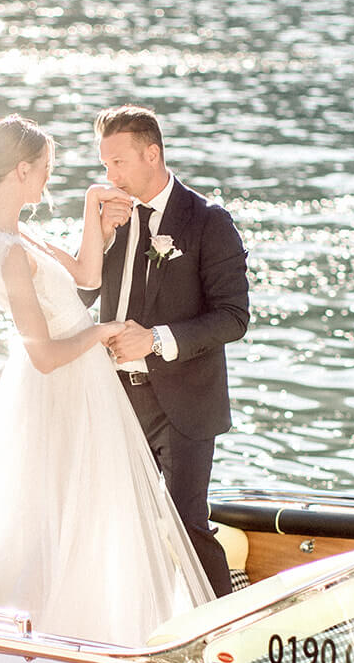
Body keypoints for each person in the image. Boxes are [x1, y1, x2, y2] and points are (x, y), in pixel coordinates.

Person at [0, 114, 214, 646]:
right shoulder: (12, 251)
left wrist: (97, 213)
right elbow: (45, 353)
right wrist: (106, 331)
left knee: (80, 506)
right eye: (45, 170)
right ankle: (96, 632)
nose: (49, 180)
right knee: (90, 508)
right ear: (22, 170)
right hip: (67, 380)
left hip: (71, 380)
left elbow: (86, 278)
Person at [93, 105, 249, 596]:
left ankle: (225, 633)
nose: (109, 175)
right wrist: (97, 238)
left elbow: (233, 317)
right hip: (117, 399)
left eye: (118, 163)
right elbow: (77, 298)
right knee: (117, 525)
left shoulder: (208, 221)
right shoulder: (109, 219)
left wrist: (157, 339)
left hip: (184, 405)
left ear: (152, 153)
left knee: (187, 525)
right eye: (105, 164)